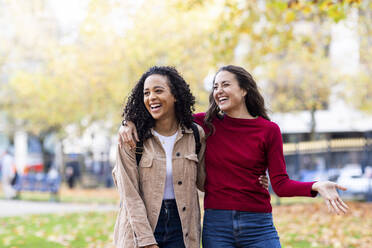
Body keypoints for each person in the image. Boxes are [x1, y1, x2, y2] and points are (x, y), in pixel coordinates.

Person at [119, 65, 349, 248]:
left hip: (258, 224)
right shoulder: (204, 125)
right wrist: (127, 123)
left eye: (225, 85)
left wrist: (316, 185)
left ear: (244, 89)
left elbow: (281, 184)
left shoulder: (268, 130)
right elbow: (163, 113)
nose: (218, 91)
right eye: (215, 86)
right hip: (217, 225)